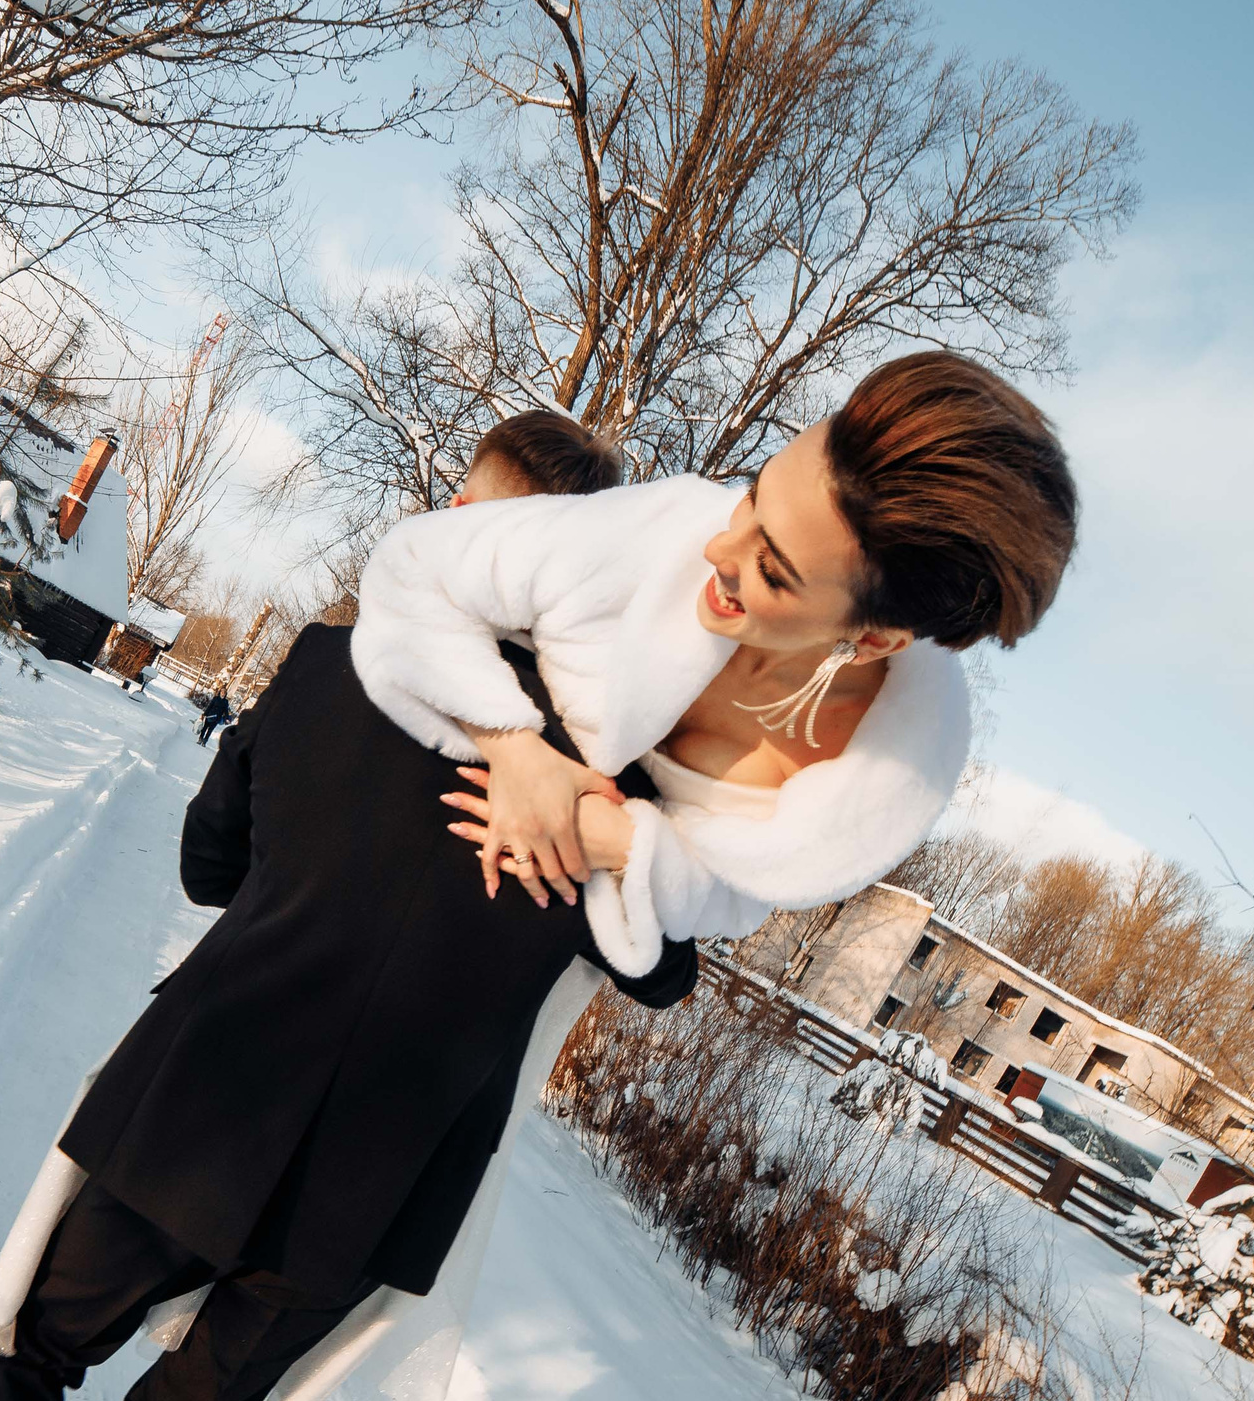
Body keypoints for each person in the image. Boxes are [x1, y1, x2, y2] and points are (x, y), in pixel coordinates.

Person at [0, 413, 673, 1401]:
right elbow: (661, 970)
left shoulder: (333, 664)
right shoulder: (612, 788)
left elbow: (207, 867)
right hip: (372, 1188)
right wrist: (609, 843)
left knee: (29, 1360)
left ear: (464, 528)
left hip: (207, 1101)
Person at [354, 351, 1078, 972]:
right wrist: (515, 750)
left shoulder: (866, 785)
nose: (716, 549)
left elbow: (737, 895)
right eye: (754, 496)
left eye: (773, 571)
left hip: (527, 976)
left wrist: (621, 842)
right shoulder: (658, 530)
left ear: (874, 639)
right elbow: (413, 567)